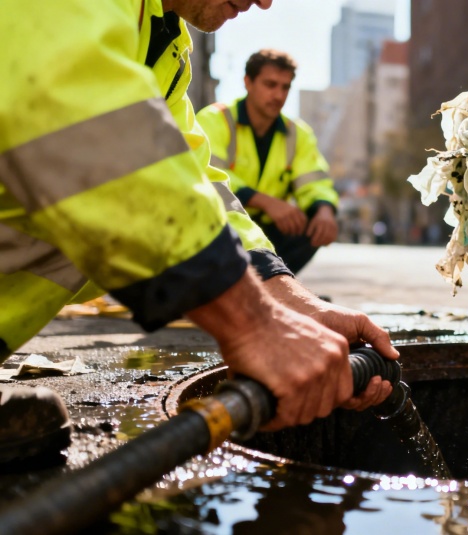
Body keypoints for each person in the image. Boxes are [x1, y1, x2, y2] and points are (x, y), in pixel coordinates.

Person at [0, 0, 397, 466]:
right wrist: (253, 325)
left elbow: (194, 178)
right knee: (104, 194)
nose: (266, 1)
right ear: (248, 84)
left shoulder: (161, 41)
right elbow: (82, 124)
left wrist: (290, 302)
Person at [197, 50, 338, 274]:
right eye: (270, 84)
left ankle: (273, 284)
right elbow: (204, 173)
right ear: (248, 82)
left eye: (285, 87)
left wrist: (324, 210)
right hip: (220, 223)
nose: (279, 95)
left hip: (268, 230)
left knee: (314, 225)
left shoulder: (297, 133)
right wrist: (264, 201)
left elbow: (314, 180)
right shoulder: (214, 119)